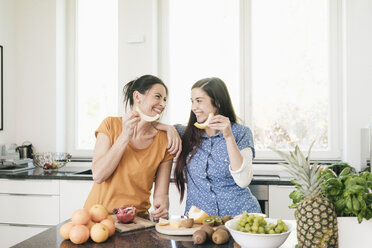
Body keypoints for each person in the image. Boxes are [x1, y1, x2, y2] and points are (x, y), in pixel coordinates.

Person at [158, 77, 261, 217]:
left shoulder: (240, 133)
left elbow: (243, 181)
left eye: (199, 101)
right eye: (192, 101)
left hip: (239, 219)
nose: (194, 107)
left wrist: (228, 137)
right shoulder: (185, 133)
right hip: (198, 222)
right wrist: (168, 128)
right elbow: (146, 124)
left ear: (217, 102)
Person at [84, 75, 175, 221]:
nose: (163, 104)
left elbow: (162, 195)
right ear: (138, 97)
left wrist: (162, 208)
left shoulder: (164, 141)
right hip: (98, 217)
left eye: (165, 100)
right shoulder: (110, 125)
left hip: (137, 220)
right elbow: (99, 175)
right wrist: (125, 135)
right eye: (158, 97)